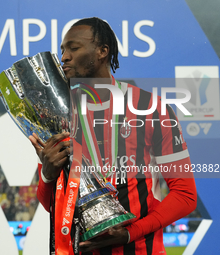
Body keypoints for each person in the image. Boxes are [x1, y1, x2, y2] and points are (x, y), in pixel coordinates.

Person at [29, 17, 197, 255]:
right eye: (63, 50)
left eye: (73, 48)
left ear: (102, 51)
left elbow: (185, 195)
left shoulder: (151, 108)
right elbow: (52, 206)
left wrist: (131, 232)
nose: (64, 57)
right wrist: (47, 174)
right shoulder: (59, 117)